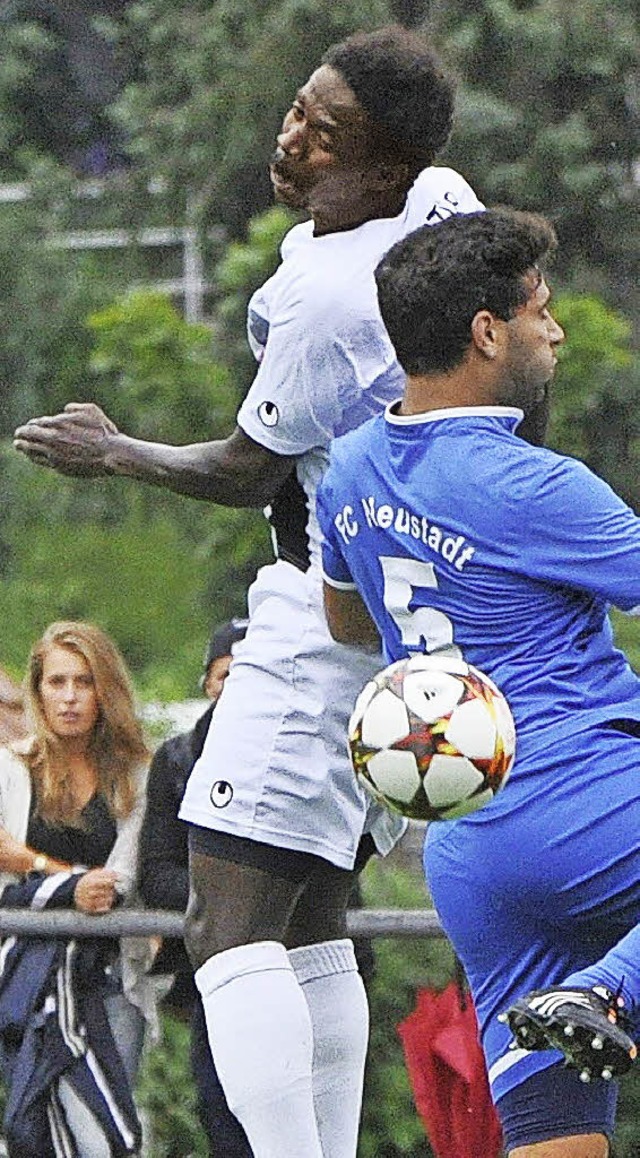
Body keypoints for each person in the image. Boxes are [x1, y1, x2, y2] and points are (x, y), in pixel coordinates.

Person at [11, 25, 551, 1158]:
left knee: (224, 923)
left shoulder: (329, 297)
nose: (291, 139)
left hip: (320, 617)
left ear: (388, 162)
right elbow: (515, 376)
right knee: (310, 917)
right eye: (299, 111)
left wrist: (114, 450)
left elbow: (246, 468)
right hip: (407, 617)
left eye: (327, 132)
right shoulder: (446, 203)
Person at [316, 207, 640, 1157]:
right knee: (594, 1005)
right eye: (541, 308)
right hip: (586, 797)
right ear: (487, 331)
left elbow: (346, 620)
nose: (557, 328)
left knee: (552, 1133)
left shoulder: (351, 466)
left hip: (469, 845)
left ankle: (603, 986)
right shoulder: (531, 485)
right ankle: (615, 986)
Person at [0, 620, 153, 1157]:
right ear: (38, 690)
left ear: (103, 688)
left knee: (103, 1132)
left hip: (111, 976)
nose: (68, 698)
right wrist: (64, 879)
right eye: (56, 682)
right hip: (23, 978)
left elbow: (120, 880)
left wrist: (36, 868)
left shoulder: (136, 773)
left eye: (83, 682)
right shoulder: (13, 767)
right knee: (32, 1126)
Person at [139, 617, 253, 1157]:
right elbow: (156, 873)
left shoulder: (313, 754)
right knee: (220, 1112)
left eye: (257, 672)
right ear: (208, 681)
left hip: (309, 958)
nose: (241, 686)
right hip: (217, 968)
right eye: (229, 673)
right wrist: (247, 896)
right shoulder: (177, 760)